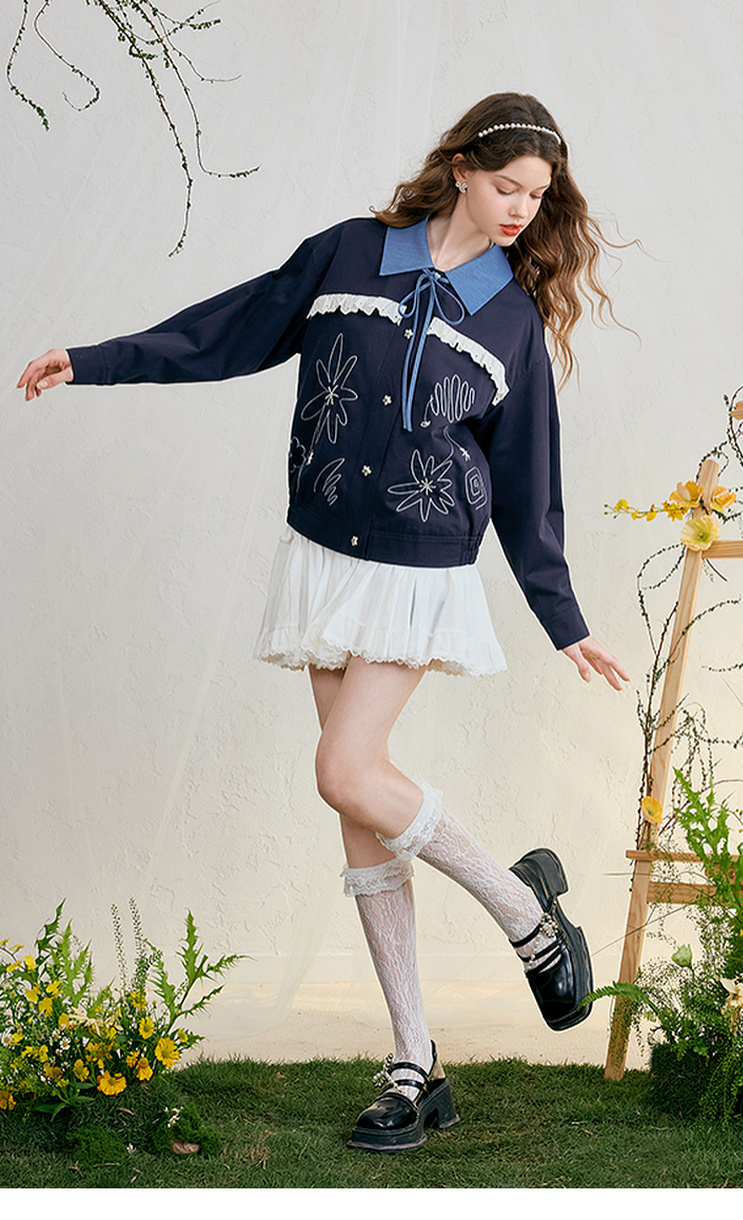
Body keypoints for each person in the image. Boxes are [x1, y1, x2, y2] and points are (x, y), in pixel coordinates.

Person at [18, 92, 629, 1153]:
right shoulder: (351, 252)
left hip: (418, 564)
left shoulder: (511, 319)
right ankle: (415, 1061)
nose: (520, 211)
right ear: (462, 169)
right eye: (507, 187)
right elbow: (232, 327)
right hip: (323, 553)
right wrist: (97, 357)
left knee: (344, 770)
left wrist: (561, 615)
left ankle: (525, 913)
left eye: (537, 197)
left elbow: (529, 479)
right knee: (359, 804)